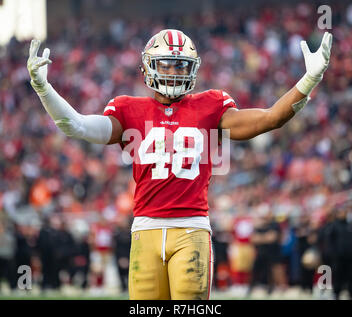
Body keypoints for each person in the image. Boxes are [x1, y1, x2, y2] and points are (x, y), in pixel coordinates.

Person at [27, 29, 332, 300]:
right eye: (166, 63)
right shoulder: (128, 109)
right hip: (144, 228)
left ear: (193, 69)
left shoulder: (211, 104)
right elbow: (76, 126)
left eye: (181, 65)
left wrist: (309, 80)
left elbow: (270, 118)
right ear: (148, 66)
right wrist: (44, 88)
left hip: (191, 228)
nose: (173, 71)